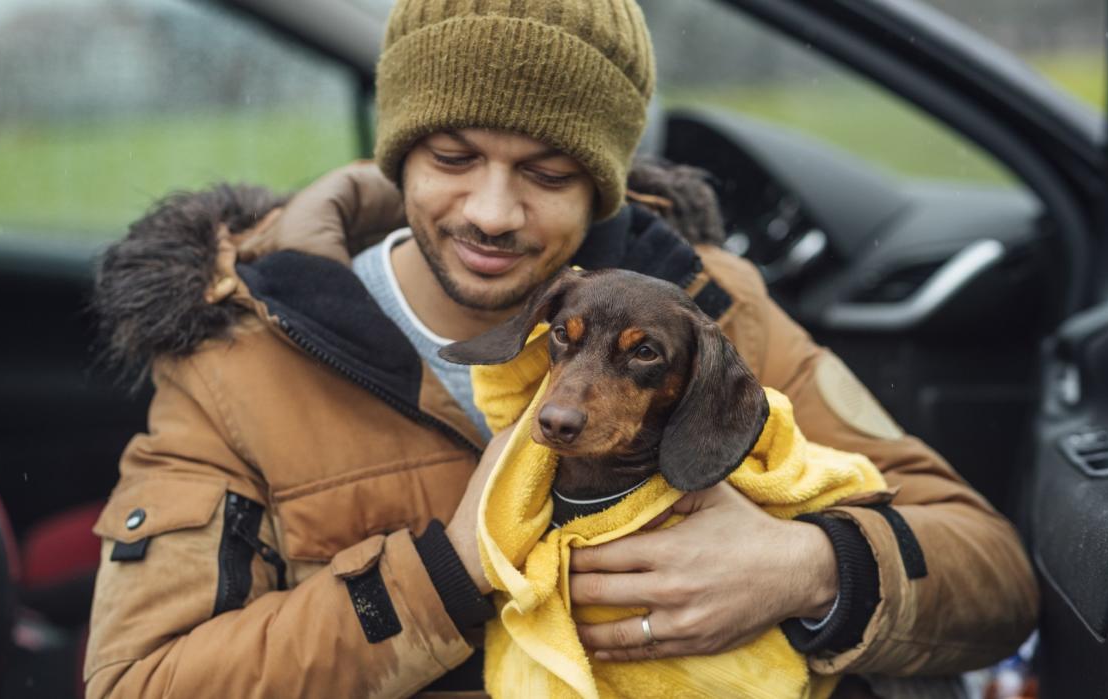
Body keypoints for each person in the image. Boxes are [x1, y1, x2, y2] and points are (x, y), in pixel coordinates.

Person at [85, 0, 1038, 697]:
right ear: (399, 156)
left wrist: (808, 568)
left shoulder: (706, 307)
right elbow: (140, 682)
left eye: (545, 173)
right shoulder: (238, 358)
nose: (492, 213)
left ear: (605, 189)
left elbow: (992, 575)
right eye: (453, 158)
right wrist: (447, 575)